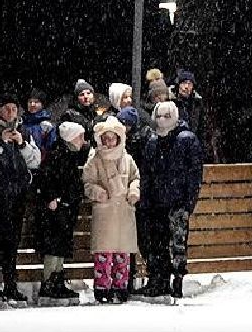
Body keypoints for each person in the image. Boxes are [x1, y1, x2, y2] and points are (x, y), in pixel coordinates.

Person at [0, 95, 41, 303]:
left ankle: (11, 284)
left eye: (14, 108)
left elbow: (36, 161)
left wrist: (22, 144)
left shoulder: (24, 132)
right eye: (7, 108)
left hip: (18, 192)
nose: (11, 112)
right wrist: (0, 143)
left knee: (13, 241)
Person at [137, 101, 205, 300]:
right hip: (156, 203)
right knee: (156, 244)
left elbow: (194, 174)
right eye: (159, 116)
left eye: (167, 116)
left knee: (177, 245)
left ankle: (177, 281)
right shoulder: (152, 141)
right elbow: (147, 174)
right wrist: (145, 200)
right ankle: (159, 280)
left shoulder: (187, 139)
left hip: (177, 202)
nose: (162, 120)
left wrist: (188, 202)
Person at [83, 116, 141, 304]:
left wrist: (134, 191)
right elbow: (88, 182)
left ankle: (121, 286)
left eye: (112, 138)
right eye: (105, 138)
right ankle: (102, 287)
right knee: (104, 253)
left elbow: (135, 178)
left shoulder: (127, 159)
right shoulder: (95, 159)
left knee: (122, 253)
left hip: (124, 211)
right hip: (105, 213)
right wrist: (97, 193)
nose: (109, 142)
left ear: (119, 138)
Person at [34, 121, 90, 302]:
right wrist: (52, 198)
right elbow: (46, 179)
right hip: (57, 210)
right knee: (54, 246)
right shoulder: (58, 155)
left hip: (64, 209)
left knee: (60, 246)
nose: (83, 141)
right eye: (80, 137)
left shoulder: (68, 155)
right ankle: (50, 281)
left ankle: (56, 279)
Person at [171, 70, 219, 161]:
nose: (186, 87)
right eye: (184, 83)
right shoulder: (170, 103)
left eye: (190, 84)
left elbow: (203, 129)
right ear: (178, 85)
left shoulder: (198, 104)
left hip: (194, 148)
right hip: (175, 148)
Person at [22, 91, 56, 160]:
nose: (32, 104)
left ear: (42, 105)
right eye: (30, 102)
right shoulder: (21, 121)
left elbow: (50, 147)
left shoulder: (47, 124)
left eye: (36, 102)